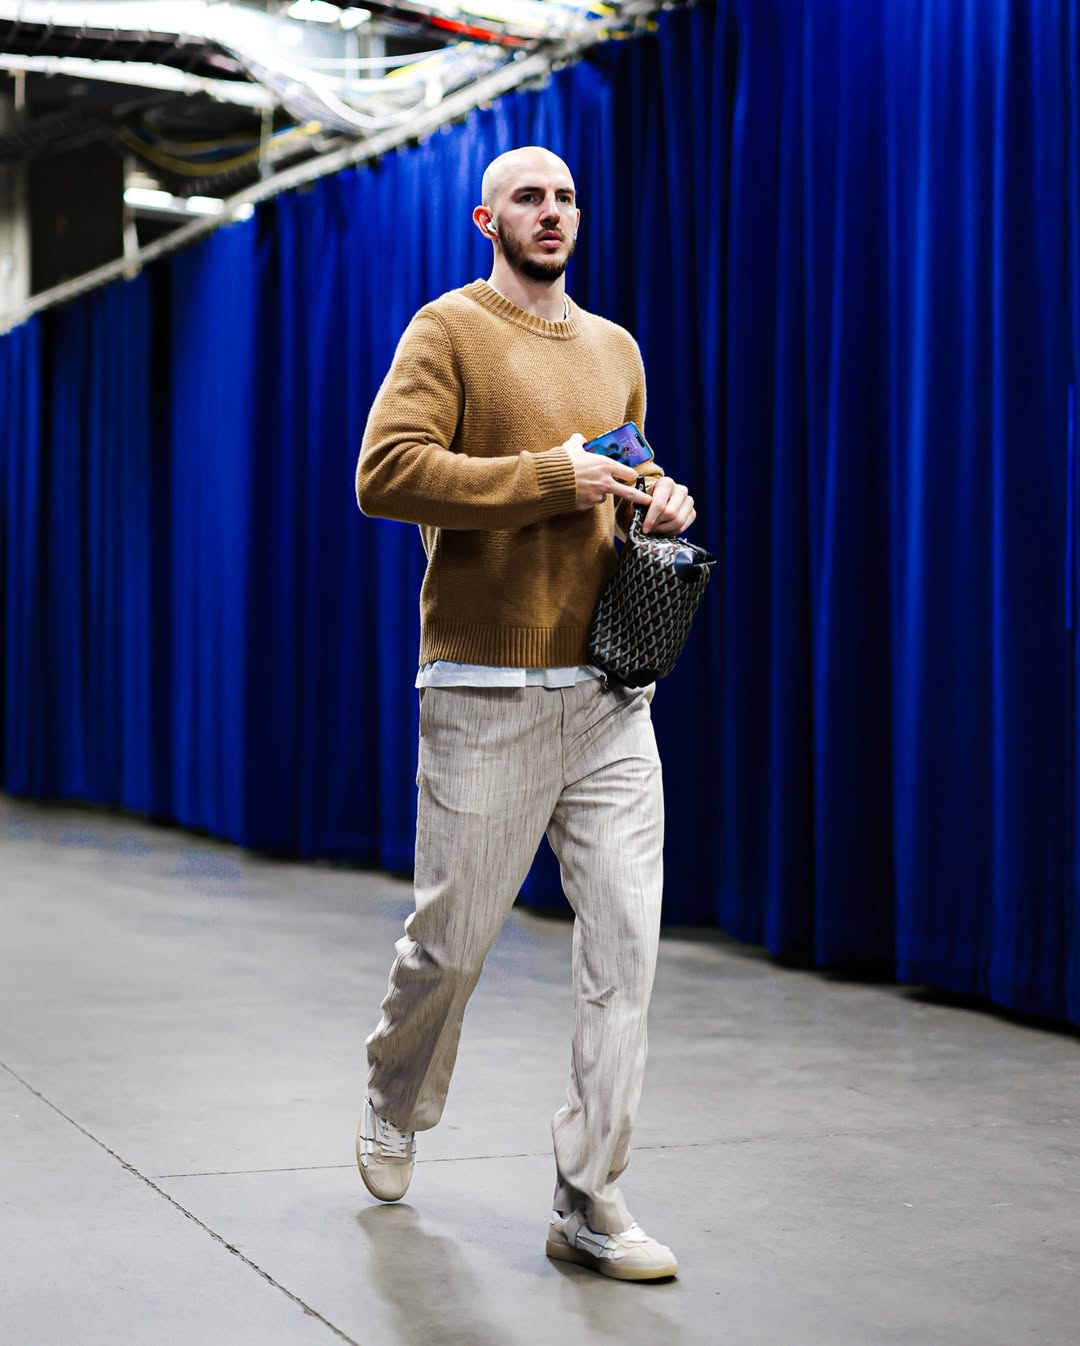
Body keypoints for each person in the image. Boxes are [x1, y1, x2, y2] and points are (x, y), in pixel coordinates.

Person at [353, 145, 696, 1282]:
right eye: (529, 199)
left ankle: (589, 1197)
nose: (552, 213)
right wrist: (550, 474)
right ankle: (395, 1095)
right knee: (450, 944)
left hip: (608, 696)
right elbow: (385, 475)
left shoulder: (616, 350)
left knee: (625, 953)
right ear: (484, 219)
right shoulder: (447, 331)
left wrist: (656, 504)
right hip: (484, 689)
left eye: (566, 198)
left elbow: (622, 486)